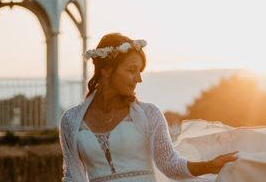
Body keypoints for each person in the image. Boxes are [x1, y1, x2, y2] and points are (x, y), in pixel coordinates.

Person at [59, 33, 238, 182]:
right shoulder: (71, 120)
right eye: (131, 70)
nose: (138, 79)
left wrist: (210, 166)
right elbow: (72, 176)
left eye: (140, 71)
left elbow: (169, 164)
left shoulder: (149, 114)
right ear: (106, 70)